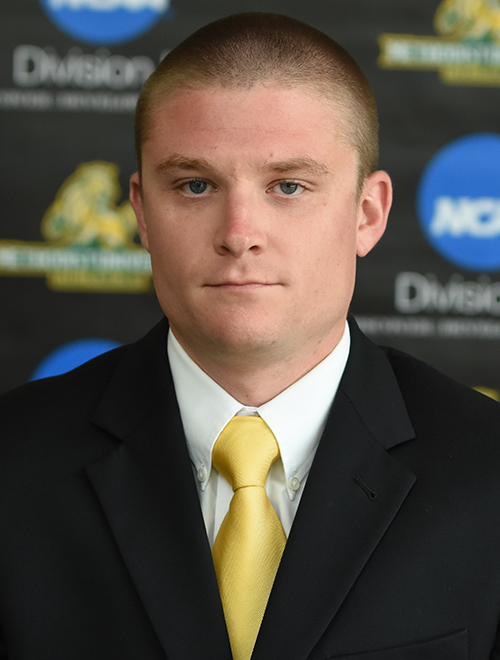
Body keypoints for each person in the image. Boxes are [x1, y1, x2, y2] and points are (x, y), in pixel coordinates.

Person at [1, 12, 500, 660]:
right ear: (142, 212)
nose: (239, 233)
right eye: (195, 185)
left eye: (288, 186)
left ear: (367, 212)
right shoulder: (13, 463)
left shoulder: (489, 474)